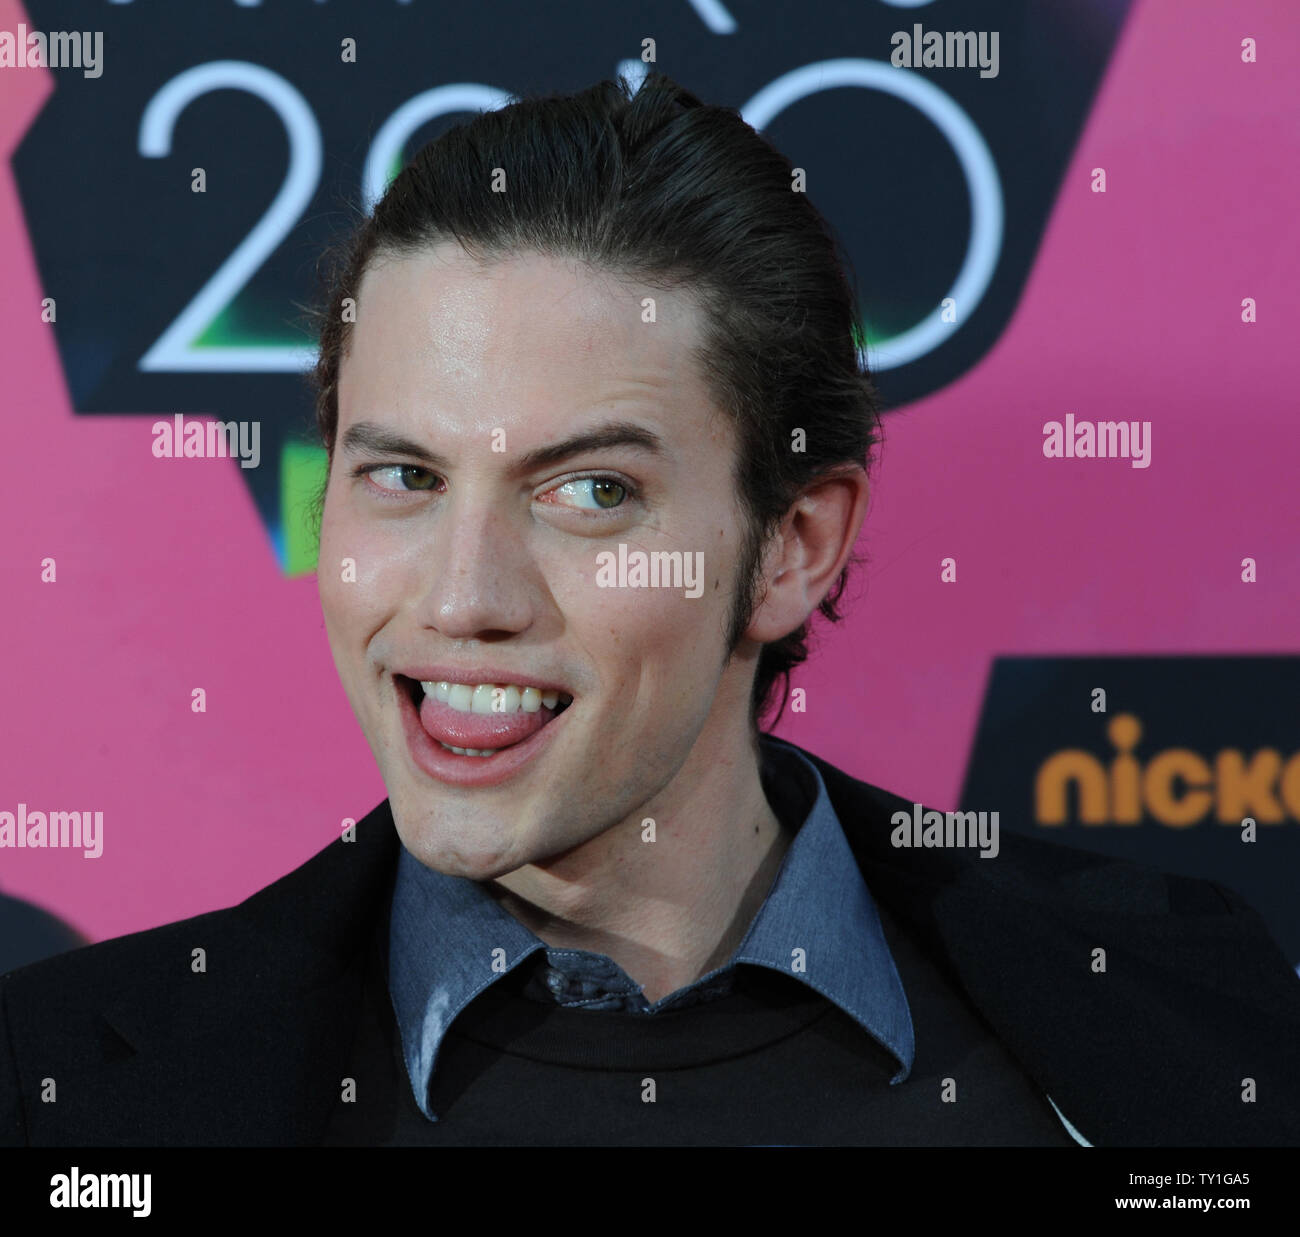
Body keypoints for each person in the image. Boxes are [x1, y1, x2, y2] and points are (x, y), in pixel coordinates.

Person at [2, 72, 1297, 1148]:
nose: (463, 597)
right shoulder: (62, 1087)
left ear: (793, 545)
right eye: (403, 476)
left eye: (589, 491)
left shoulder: (1188, 1012)